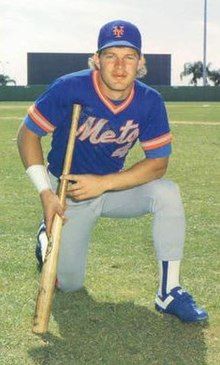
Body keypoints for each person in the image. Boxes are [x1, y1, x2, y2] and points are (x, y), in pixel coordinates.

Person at [17, 20, 208, 322]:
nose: (119, 66)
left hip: (112, 187)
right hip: (70, 193)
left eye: (128, 56)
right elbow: (27, 135)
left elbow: (158, 164)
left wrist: (104, 183)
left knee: (167, 193)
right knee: (70, 284)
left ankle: (169, 291)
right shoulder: (70, 87)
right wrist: (45, 192)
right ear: (96, 60)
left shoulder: (149, 101)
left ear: (140, 61)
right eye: (110, 56)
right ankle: (47, 235)